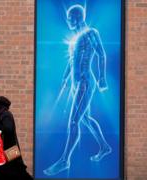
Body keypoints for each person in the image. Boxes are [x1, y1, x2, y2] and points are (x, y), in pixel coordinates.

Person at [43, 4, 112, 176]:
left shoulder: (91, 33)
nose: (68, 21)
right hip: (76, 84)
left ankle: (65, 160)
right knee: (85, 118)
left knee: (74, 121)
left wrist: (102, 78)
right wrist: (65, 79)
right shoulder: (75, 39)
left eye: (70, 17)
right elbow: (71, 61)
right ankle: (104, 146)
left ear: (78, 17)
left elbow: (101, 54)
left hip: (85, 82)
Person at [0, 96, 33, 180]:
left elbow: (8, 129)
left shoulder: (6, 114)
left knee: (19, 171)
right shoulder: (2, 114)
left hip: (9, 149)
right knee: (4, 172)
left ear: (0, 105)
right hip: (6, 149)